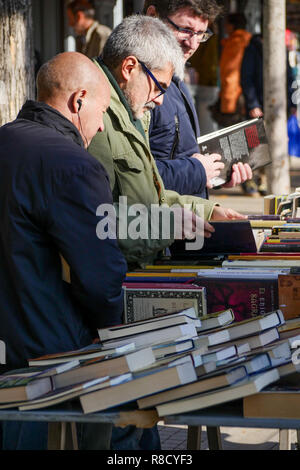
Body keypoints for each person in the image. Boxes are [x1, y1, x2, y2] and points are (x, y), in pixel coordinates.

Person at [87, 14, 246, 450]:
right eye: (159, 86)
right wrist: (168, 220)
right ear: (130, 68)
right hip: (111, 289)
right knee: (124, 421)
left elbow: (151, 194)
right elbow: (101, 221)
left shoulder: (128, 108)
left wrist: (207, 207)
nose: (161, 100)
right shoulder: (99, 117)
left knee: (141, 413)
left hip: (128, 281)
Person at [0, 51, 128, 450]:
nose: (103, 125)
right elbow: (102, 276)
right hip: (48, 357)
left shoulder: (6, 140)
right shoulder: (74, 164)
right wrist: (109, 333)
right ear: (79, 101)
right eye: (103, 111)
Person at [143, 0, 253, 197]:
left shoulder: (177, 81)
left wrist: (216, 173)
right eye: (185, 29)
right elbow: (133, 179)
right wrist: (197, 170)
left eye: (201, 34)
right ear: (153, 16)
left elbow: (183, 155)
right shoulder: (135, 85)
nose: (192, 44)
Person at [216, 13, 252, 127]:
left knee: (234, 136)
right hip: (243, 93)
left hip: (234, 96)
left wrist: (227, 102)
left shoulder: (235, 43)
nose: (225, 26)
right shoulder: (246, 39)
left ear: (232, 25)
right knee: (246, 135)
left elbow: (230, 73)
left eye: (226, 24)